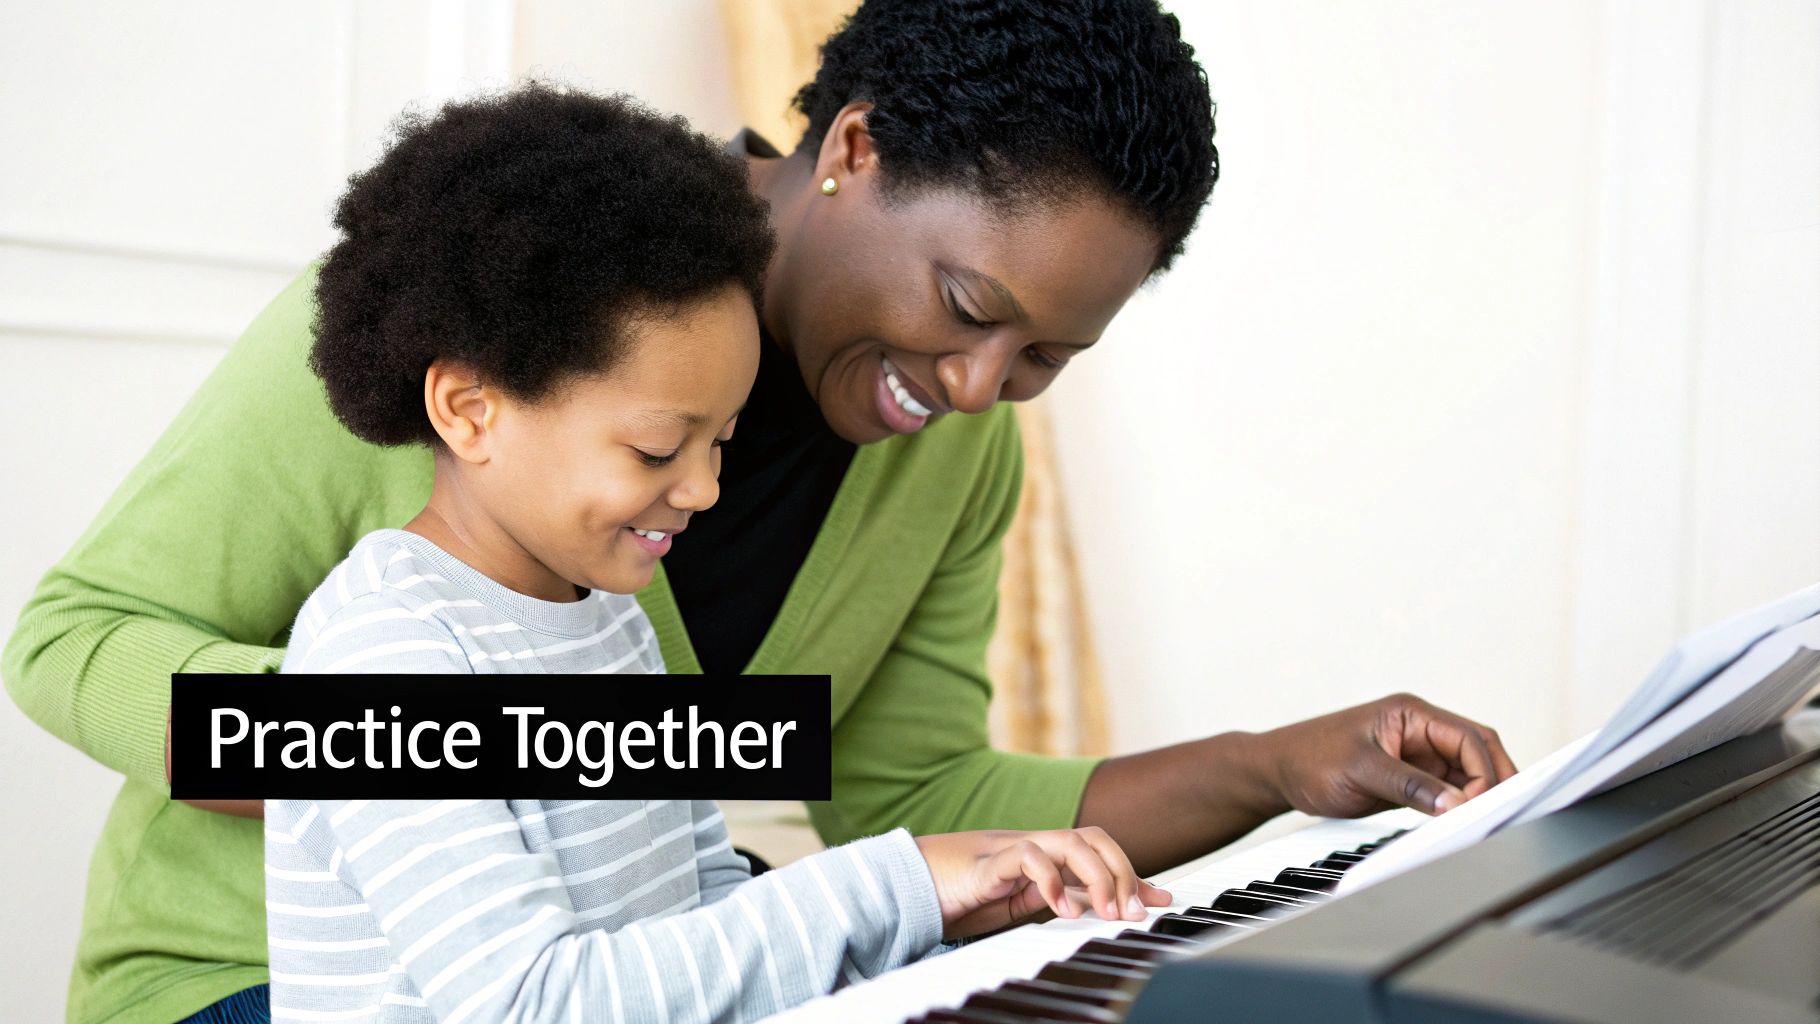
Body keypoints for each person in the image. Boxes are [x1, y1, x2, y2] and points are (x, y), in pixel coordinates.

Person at [3, 1, 1514, 1021]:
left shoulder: (952, 452)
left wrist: (1272, 767)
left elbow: (893, 791)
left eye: (1048, 354)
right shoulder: (502, 299)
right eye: (969, 305)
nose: (985, 386)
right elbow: (71, 641)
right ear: (852, 150)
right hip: (253, 981)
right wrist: (501, 761)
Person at [265, 84, 1165, 1024]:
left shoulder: (609, 617)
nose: (701, 489)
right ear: (469, 410)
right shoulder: (382, 653)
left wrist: (951, 922)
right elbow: (533, 1004)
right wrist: (899, 882)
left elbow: (706, 922)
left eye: (722, 444)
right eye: (659, 451)